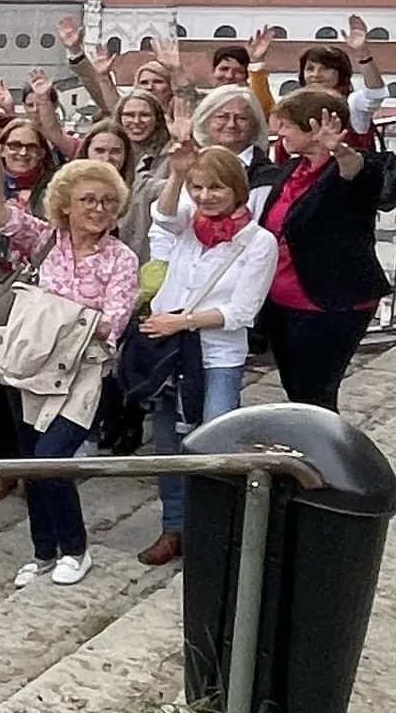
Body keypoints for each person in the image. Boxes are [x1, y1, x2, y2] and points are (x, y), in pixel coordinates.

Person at [0, 149, 138, 589]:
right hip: (33, 367)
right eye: (89, 199)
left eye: (108, 201)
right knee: (31, 463)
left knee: (51, 459)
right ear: (66, 204)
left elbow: (114, 322)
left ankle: (75, 548)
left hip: (84, 373)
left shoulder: (121, 258)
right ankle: (43, 551)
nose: (99, 209)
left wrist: (55, 315)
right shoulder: (46, 240)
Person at [134, 147, 279, 565]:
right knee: (168, 443)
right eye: (198, 187)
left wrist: (183, 321)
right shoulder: (188, 225)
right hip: (171, 353)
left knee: (214, 442)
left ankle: (214, 530)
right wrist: (178, 176)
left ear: (237, 188)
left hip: (216, 354)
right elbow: (162, 217)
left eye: (215, 187)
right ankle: (174, 526)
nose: (205, 195)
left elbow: (241, 312)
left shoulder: (258, 241)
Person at [251, 88, 391, 412]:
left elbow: (358, 175)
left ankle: (323, 458)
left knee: (315, 394)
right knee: (295, 389)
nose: (280, 132)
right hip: (281, 302)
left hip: (330, 304)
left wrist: (340, 151)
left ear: (313, 127)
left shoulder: (354, 168)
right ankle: (303, 452)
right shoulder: (289, 170)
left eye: (287, 125)